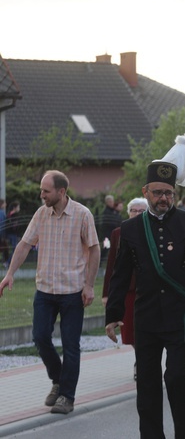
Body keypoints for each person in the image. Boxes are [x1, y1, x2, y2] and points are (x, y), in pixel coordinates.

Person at [105, 134, 185, 439]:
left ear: (175, 193)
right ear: (145, 192)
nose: (163, 198)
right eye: (157, 192)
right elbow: (120, 275)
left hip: (182, 316)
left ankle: (184, 435)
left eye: (168, 193)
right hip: (147, 317)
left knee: (178, 377)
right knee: (148, 383)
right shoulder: (130, 228)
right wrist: (113, 313)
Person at [0, 170, 100, 415]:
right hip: (44, 289)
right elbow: (24, 244)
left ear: (61, 192)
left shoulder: (82, 215)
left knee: (71, 345)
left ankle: (66, 396)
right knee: (40, 337)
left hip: (72, 292)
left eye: (46, 191)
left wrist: (89, 285)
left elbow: (95, 250)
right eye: (41, 190)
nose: (41, 194)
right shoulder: (41, 214)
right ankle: (58, 379)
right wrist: (10, 273)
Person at [101, 197, 148, 380]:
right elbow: (112, 263)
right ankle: (140, 358)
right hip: (127, 288)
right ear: (128, 213)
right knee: (129, 329)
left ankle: (144, 361)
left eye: (141, 210)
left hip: (147, 287)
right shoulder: (119, 233)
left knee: (146, 328)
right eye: (134, 210)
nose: (137, 213)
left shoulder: (152, 231)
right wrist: (107, 294)